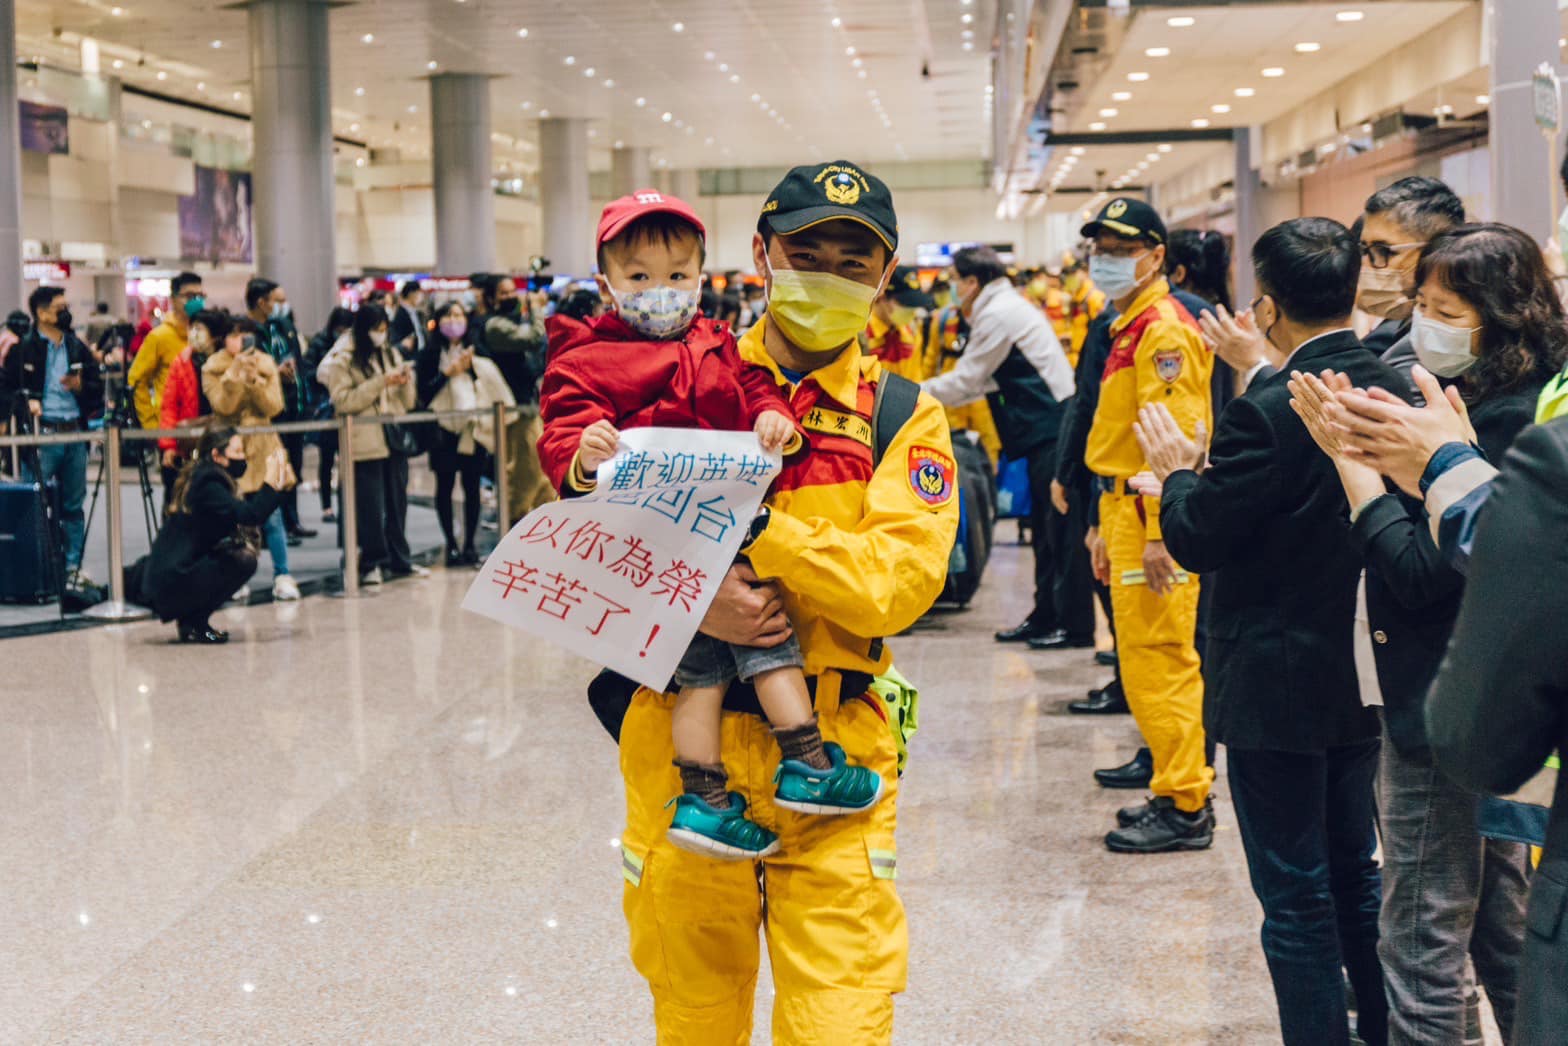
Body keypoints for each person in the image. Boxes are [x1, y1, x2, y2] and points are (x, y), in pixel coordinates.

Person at [610, 161, 958, 1043]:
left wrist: (762, 531)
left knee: (840, 1020)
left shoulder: (904, 415)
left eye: (855, 262)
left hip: (833, 754)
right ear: (762, 254)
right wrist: (699, 607)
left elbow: (893, 588)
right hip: (686, 756)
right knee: (693, 1014)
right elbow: (589, 558)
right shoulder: (670, 381)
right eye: (809, 253)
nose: (830, 277)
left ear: (884, 278)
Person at [540, 189, 897, 862]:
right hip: (665, 548)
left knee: (711, 668)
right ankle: (792, 765)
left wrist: (771, 420)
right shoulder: (584, 362)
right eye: (639, 277)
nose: (661, 291)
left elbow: (752, 390)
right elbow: (564, 450)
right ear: (606, 283)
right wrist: (583, 458)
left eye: (677, 277)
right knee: (753, 647)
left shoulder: (721, 345)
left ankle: (719, 791)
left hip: (721, 535)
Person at [1137, 217, 1408, 1044]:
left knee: (1293, 896)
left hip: (1273, 679)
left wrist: (1178, 476)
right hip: (1364, 665)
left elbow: (1201, 535)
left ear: (1268, 307)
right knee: (1356, 873)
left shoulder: (1268, 410)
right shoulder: (1388, 382)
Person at [1075, 198, 1214, 851]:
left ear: (1157, 256)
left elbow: (1177, 443)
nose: (1104, 261)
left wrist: (1162, 531)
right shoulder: (1130, 324)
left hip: (1148, 515)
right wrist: (1105, 522)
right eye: (1097, 248)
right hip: (1122, 509)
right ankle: (1169, 782)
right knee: (1141, 658)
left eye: (1118, 248)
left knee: (1162, 659)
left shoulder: (1163, 332)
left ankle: (1187, 803)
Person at [923, 245, 1077, 648]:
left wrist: (908, 395)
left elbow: (968, 380)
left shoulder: (997, 314)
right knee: (1046, 529)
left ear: (973, 282)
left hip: (1052, 426)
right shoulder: (1004, 306)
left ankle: (1071, 624)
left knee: (1058, 530)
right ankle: (1047, 615)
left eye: (955, 281)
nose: (952, 289)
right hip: (1046, 426)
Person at [133, 428, 289, 643]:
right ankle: (196, 622)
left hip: (171, 574)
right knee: (243, 561)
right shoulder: (209, 485)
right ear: (217, 456)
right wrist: (272, 484)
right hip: (171, 581)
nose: (242, 457)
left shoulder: (206, 477)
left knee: (236, 556)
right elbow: (249, 515)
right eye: (236, 451)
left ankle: (193, 622)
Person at [0, 286, 103, 585]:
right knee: (34, 503)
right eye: (60, 307)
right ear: (42, 313)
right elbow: (6, 389)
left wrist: (81, 386)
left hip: (73, 434)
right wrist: (25, 403)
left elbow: (95, 388)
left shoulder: (76, 346)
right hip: (41, 434)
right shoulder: (23, 349)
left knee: (73, 505)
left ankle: (72, 568)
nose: (65, 312)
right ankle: (38, 565)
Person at [317, 304, 422, 586]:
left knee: (397, 502)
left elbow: (408, 402)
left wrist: (403, 382)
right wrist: (381, 382)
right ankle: (372, 561)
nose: (381, 334)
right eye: (376, 328)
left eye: (384, 328)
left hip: (392, 435)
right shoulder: (343, 360)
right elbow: (343, 401)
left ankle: (400, 558)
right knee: (369, 507)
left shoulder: (390, 353)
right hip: (363, 440)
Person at [201, 316, 301, 602]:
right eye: (234, 335)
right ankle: (235, 574)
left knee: (273, 515)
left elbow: (274, 406)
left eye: (244, 334)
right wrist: (234, 375)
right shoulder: (213, 368)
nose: (239, 340)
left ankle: (282, 574)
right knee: (234, 515)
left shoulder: (266, 363)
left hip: (265, 445)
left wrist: (255, 380)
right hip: (232, 448)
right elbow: (223, 405)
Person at [416, 301, 514, 566]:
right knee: (444, 487)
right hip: (442, 430)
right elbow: (422, 394)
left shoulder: (479, 354)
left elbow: (492, 385)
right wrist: (447, 374)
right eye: (447, 315)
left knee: (472, 487)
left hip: (473, 428)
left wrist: (469, 369)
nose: (453, 320)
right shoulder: (428, 355)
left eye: (458, 315)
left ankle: (470, 543)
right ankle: (450, 543)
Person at [481, 273, 554, 526]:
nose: (510, 296)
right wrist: (535, 309)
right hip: (514, 410)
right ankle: (512, 526)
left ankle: (548, 524)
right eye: (503, 292)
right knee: (526, 472)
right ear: (491, 298)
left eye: (513, 291)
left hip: (530, 405)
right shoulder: (494, 326)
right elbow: (533, 337)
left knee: (544, 473)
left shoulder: (513, 321)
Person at [246, 278, 315, 543]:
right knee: (272, 469)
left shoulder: (283, 327)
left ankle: (292, 519)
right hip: (269, 413)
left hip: (293, 407)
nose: (281, 306)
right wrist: (274, 373)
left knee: (292, 466)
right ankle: (269, 526)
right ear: (262, 302)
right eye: (277, 300)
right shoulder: (248, 332)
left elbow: (298, 359)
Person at [157, 309, 222, 510]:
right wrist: (168, 445)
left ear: (215, 334)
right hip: (188, 443)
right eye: (192, 328)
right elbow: (169, 406)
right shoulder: (182, 362)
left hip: (219, 440)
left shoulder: (225, 361)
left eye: (200, 329)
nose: (194, 333)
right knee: (179, 496)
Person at [128, 271, 203, 431]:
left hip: (201, 424)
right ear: (174, 299)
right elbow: (137, 380)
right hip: (171, 426)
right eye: (189, 296)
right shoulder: (159, 336)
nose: (196, 301)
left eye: (200, 296)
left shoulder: (206, 335)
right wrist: (151, 424)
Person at [304, 306, 354, 524]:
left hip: (344, 408)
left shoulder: (352, 345)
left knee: (347, 460)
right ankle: (326, 506)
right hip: (326, 409)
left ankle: (347, 504)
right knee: (326, 460)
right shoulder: (319, 344)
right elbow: (310, 373)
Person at [863, 265, 931, 381]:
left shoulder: (912, 330)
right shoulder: (861, 334)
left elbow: (916, 378)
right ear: (882, 297)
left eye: (913, 306)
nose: (911, 311)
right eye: (905, 304)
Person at [390, 280, 428, 358]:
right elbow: (395, 339)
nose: (421, 296)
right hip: (408, 356)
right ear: (411, 294)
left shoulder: (416, 313)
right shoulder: (399, 314)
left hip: (420, 354)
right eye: (419, 293)